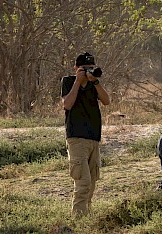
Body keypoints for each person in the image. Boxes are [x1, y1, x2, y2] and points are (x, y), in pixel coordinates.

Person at [60, 52, 111, 217]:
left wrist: (95, 81)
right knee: (83, 182)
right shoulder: (68, 81)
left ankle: (86, 216)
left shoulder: (94, 84)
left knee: (92, 182)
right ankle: (78, 219)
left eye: (91, 68)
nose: (89, 71)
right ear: (76, 68)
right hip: (76, 137)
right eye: (85, 68)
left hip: (93, 137)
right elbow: (67, 104)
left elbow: (107, 101)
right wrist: (78, 81)